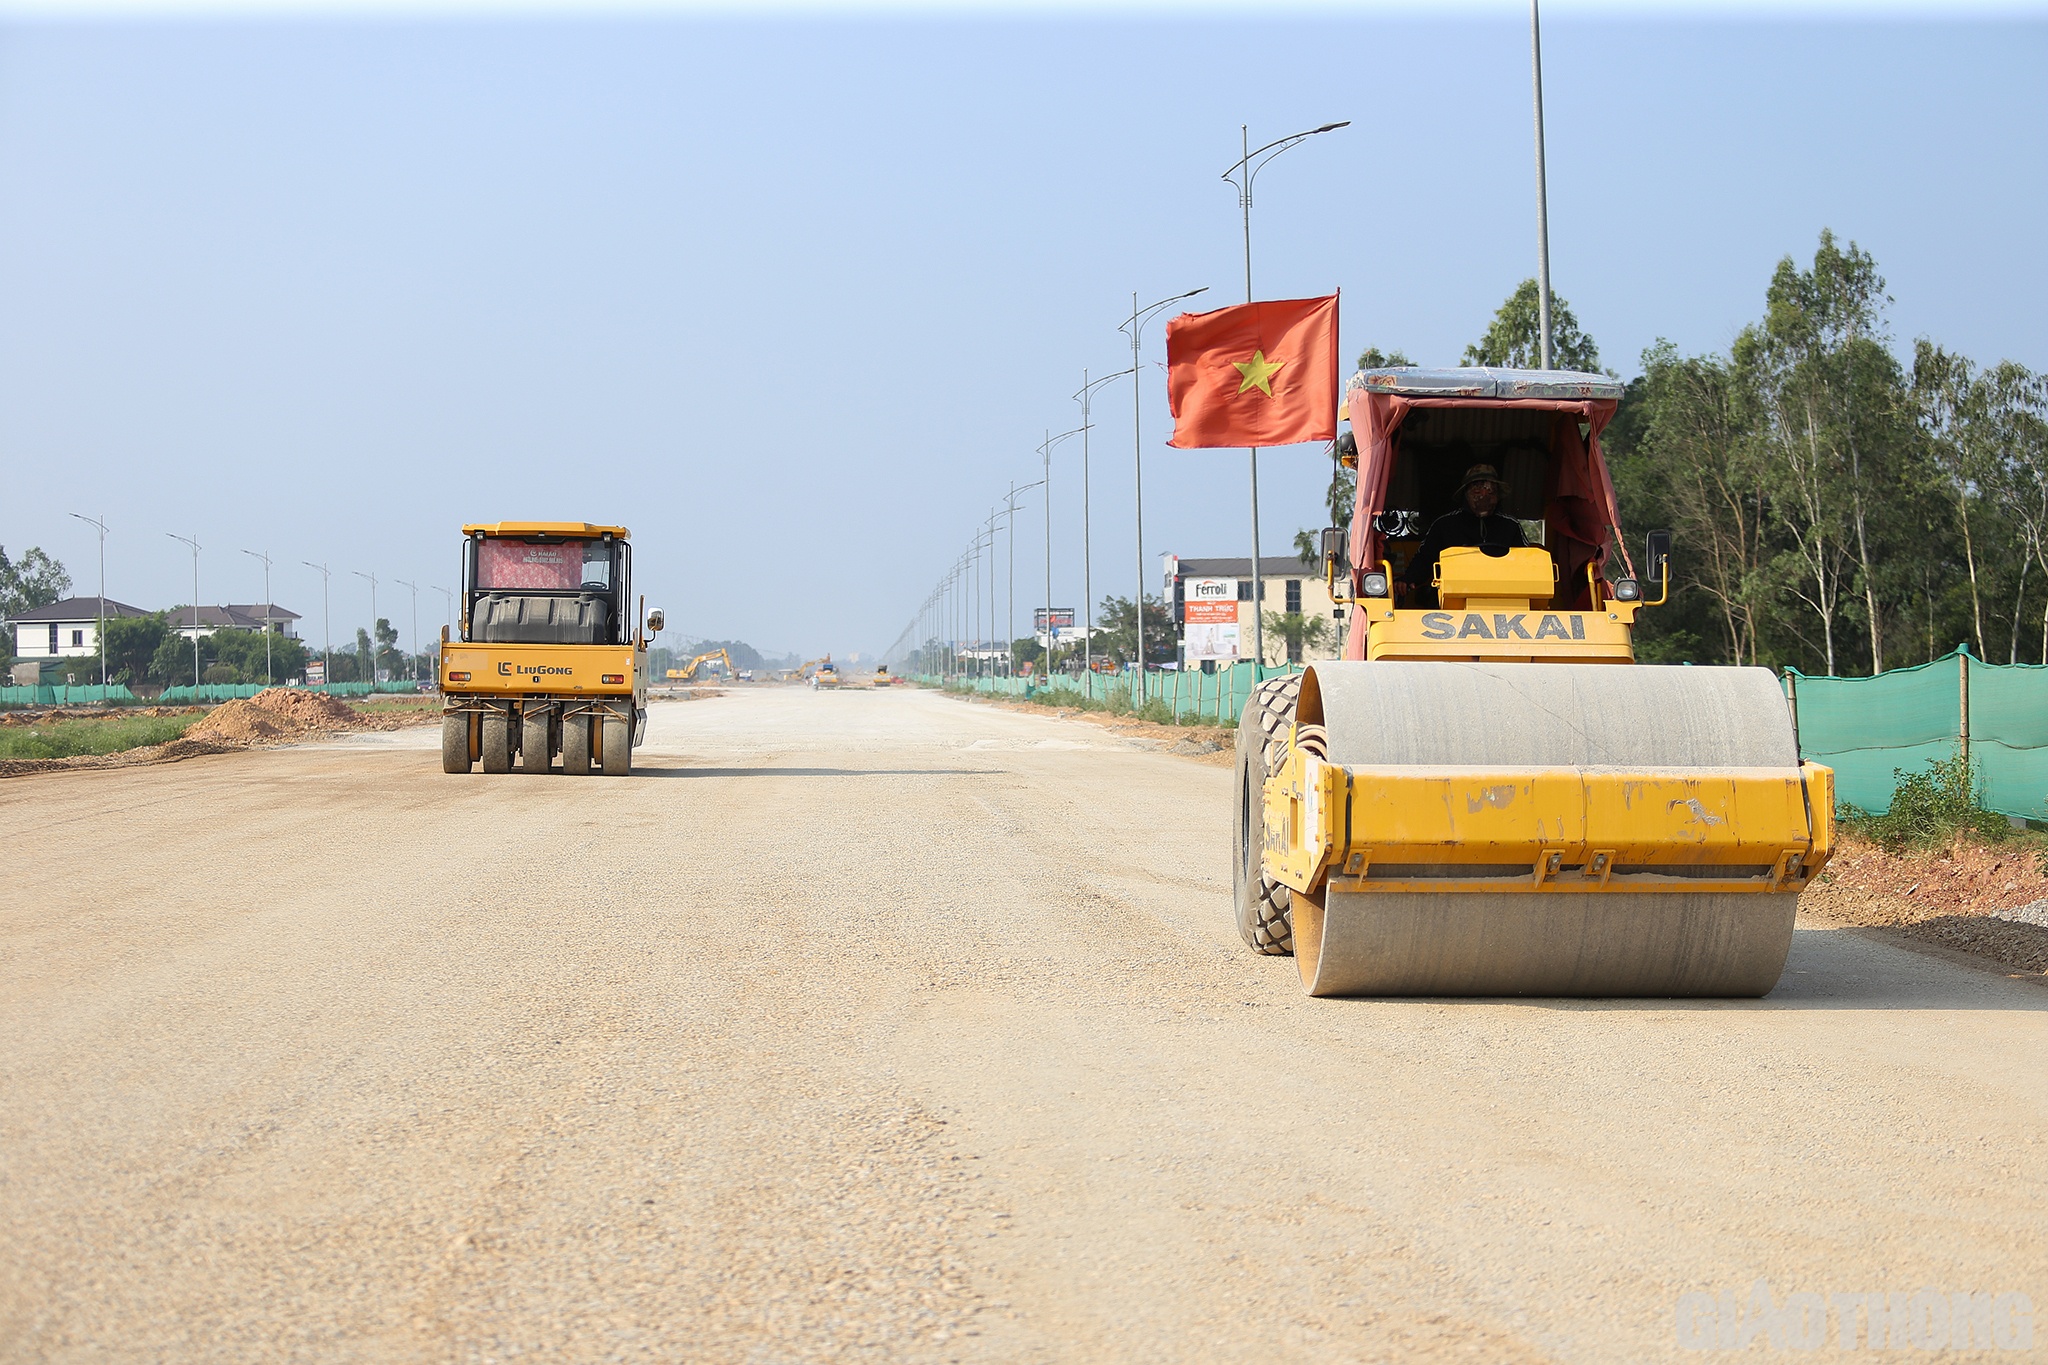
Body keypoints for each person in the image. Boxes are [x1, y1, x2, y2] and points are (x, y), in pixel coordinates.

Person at [1400, 463, 1526, 604]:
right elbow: (1425, 558)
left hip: (1504, 599)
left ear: (1497, 496)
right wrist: (1408, 579)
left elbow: (1527, 562)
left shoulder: (1510, 525)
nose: (1484, 496)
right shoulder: (1444, 525)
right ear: (1466, 494)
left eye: (1490, 492)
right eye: (1477, 491)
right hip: (1453, 599)